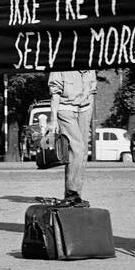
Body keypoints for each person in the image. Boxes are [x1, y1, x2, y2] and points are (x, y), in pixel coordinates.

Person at [49, 69, 97, 206]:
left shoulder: (90, 68)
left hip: (85, 110)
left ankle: (76, 195)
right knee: (77, 148)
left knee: (81, 153)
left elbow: (92, 93)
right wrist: (53, 120)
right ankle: (71, 192)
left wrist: (89, 118)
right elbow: (55, 94)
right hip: (65, 109)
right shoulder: (62, 66)